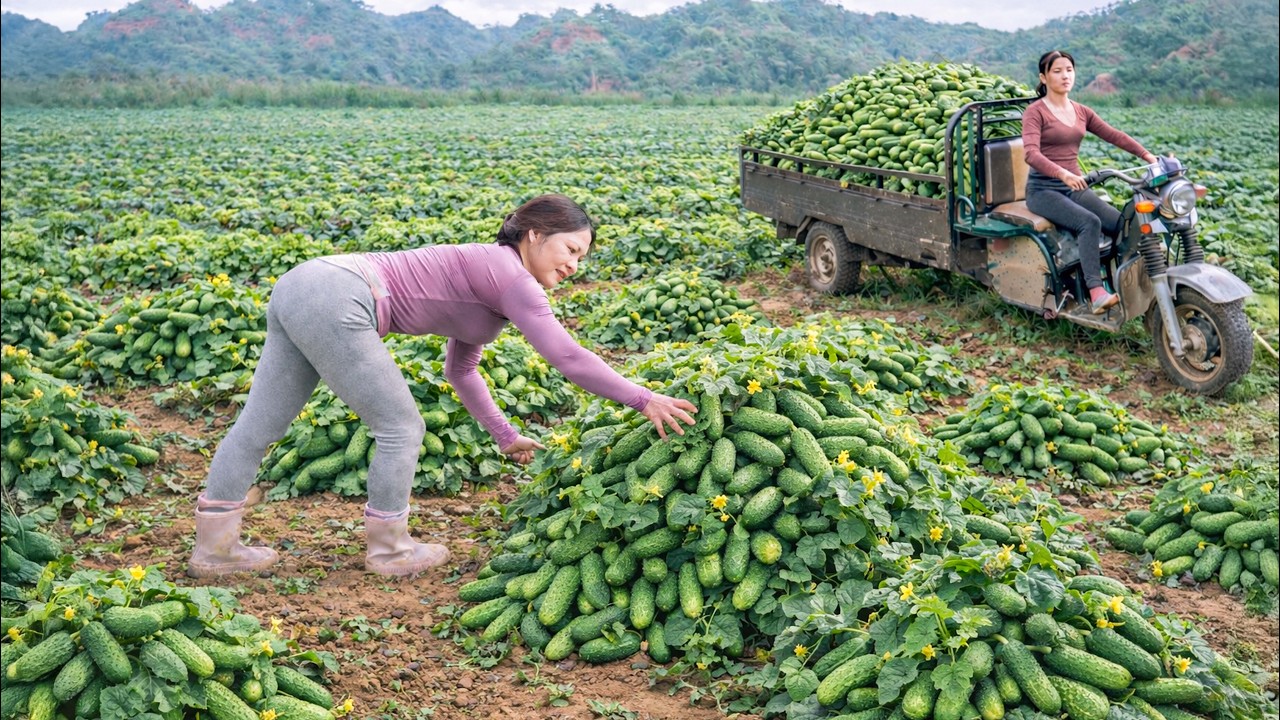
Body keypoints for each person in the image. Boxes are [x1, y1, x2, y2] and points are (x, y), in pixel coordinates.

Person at [189, 194, 698, 578]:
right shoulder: (513, 279)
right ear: (535, 235)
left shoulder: (498, 284)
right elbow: (567, 355)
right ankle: (390, 551)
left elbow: (461, 371)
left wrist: (504, 435)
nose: (574, 264)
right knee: (401, 427)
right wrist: (643, 396)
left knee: (261, 424)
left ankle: (214, 550)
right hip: (341, 294)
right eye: (570, 248)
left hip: (308, 283)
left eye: (583, 258)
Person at [1022, 50, 1158, 314]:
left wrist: (1147, 155)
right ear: (1044, 77)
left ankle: (1126, 283)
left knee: (1123, 224)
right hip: (1043, 190)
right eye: (1057, 71)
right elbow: (1031, 153)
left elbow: (1113, 135)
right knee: (1089, 222)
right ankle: (1096, 292)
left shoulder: (1080, 111)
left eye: (1069, 70)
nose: (1064, 76)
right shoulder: (1035, 112)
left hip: (1074, 187)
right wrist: (1062, 174)